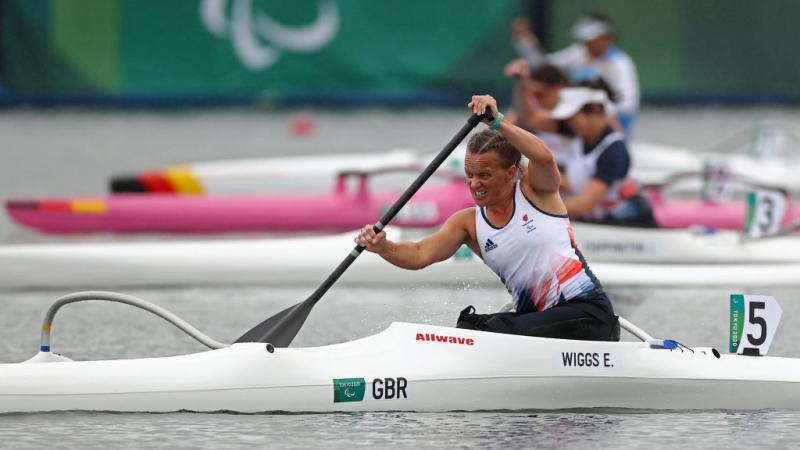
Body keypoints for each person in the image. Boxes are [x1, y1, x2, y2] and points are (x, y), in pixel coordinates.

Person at [355, 95, 619, 341]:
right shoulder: (468, 223)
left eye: (484, 175)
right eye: (470, 175)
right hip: (539, 325)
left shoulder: (536, 191)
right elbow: (419, 254)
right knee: (469, 326)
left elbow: (545, 158)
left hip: (589, 316)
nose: (475, 184)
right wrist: (383, 247)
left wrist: (498, 122)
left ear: (510, 172)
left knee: (487, 331)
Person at [509, 14, 640, 134]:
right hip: (577, 123)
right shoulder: (579, 53)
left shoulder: (621, 63)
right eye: (585, 40)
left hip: (608, 125)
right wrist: (526, 43)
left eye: (591, 40)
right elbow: (544, 64)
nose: (586, 44)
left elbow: (628, 104)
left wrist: (597, 113)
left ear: (606, 38)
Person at [551, 87, 656, 227]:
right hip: (600, 223)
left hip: (630, 224)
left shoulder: (614, 150)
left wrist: (540, 210)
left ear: (595, 110)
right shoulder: (578, 140)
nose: (569, 124)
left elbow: (584, 205)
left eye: (573, 117)